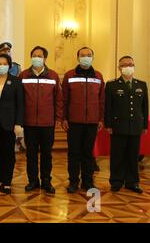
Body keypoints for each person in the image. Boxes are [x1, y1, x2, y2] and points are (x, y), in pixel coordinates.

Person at [20, 46, 63, 194]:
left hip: (47, 123)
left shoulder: (53, 76)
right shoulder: (24, 75)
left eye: (40, 56)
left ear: (45, 58)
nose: (37, 58)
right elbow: (19, 100)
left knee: (47, 154)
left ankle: (46, 180)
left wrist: (58, 118)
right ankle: (32, 181)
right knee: (30, 154)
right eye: (34, 55)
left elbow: (59, 99)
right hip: (29, 123)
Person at [62, 47, 105, 193]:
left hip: (92, 122)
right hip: (74, 122)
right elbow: (64, 99)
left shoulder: (98, 76)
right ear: (78, 57)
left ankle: (88, 182)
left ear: (93, 57)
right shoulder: (69, 75)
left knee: (88, 154)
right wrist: (64, 118)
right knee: (73, 154)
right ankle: (73, 181)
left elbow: (102, 100)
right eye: (82, 55)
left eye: (88, 55)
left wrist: (101, 119)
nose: (85, 57)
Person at [105, 55, 148, 194]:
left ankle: (132, 182)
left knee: (133, 156)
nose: (127, 67)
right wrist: (108, 125)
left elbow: (145, 107)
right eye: (124, 65)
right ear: (119, 68)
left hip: (136, 126)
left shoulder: (141, 85)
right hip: (118, 126)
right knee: (117, 155)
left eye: (130, 64)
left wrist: (145, 125)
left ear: (134, 66)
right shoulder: (112, 85)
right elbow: (108, 107)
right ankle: (116, 181)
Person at [0, 54, 24, 194]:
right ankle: (0, 180)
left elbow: (20, 104)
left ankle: (7, 182)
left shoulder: (15, 81)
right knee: (0, 153)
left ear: (9, 66)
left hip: (10, 123)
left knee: (9, 153)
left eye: (4, 64)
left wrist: (18, 123)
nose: (1, 66)